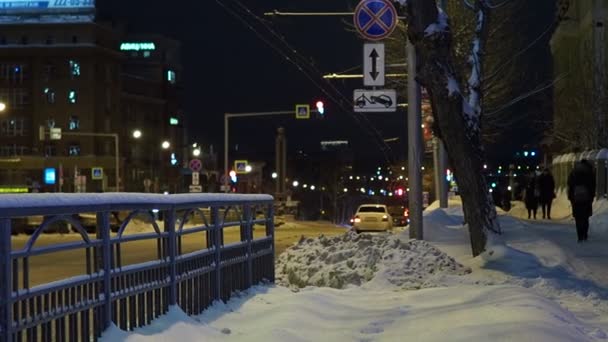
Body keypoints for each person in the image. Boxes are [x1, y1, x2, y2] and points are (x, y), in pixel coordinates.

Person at [567, 159, 596, 242]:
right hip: (587, 199)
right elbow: (593, 185)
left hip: (576, 199)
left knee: (578, 217)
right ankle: (585, 234)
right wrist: (591, 197)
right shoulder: (589, 173)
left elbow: (569, 185)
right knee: (585, 217)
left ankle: (579, 236)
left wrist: (571, 197)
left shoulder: (573, 172)